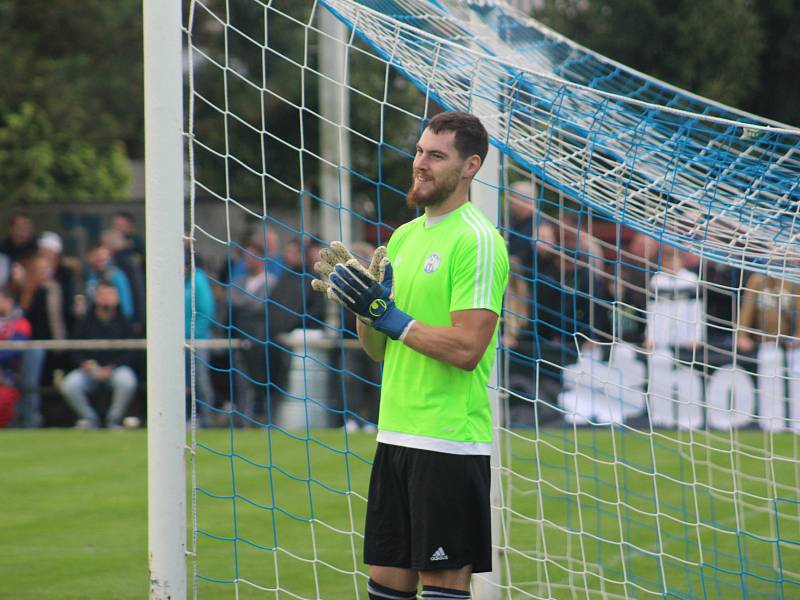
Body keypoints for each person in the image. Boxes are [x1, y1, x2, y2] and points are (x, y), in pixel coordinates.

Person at [313, 111, 509, 600]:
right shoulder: (403, 237)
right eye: (420, 151)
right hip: (395, 435)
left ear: (471, 166)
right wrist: (364, 309)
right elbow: (378, 349)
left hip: (447, 443)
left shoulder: (478, 240)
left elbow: (467, 348)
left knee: (443, 586)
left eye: (436, 156)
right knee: (385, 586)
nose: (421, 164)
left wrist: (393, 317)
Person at [59, 281, 138, 429]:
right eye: (103, 294)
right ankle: (90, 419)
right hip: (90, 371)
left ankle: (113, 420)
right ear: (96, 297)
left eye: (111, 294)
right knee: (69, 384)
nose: (107, 298)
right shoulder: (84, 321)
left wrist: (112, 367)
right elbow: (74, 348)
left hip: (115, 370)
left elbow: (131, 352)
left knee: (127, 380)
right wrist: (84, 364)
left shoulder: (125, 322)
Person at [11, 253, 66, 427]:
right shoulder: (26, 292)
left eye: (47, 268)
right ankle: (30, 419)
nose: (45, 272)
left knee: (48, 382)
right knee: (31, 384)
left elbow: (57, 319)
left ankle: (46, 419)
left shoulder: (54, 289)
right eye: (41, 268)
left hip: (51, 343)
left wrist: (60, 342)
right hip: (32, 345)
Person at [0, 288, 32, 427]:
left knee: (5, 397)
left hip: (11, 374)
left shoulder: (21, 323)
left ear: (9, 301)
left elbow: (14, 351)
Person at [83, 242, 135, 321]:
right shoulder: (89, 275)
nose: (100, 258)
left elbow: (126, 303)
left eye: (103, 255)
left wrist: (126, 321)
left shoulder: (116, 275)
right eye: (96, 255)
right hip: (92, 322)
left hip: (114, 323)